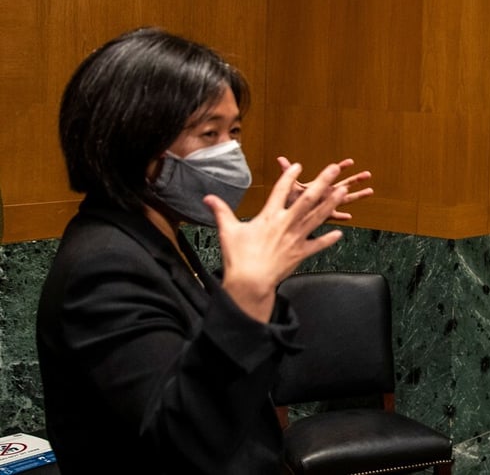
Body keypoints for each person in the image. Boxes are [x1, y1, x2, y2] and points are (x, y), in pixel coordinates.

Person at [36, 27, 374, 474]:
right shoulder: (104, 265)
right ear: (134, 139)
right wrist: (247, 296)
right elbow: (183, 441)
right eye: (209, 133)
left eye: (234, 131)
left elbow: (220, 365)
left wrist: (266, 261)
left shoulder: (157, 235)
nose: (230, 152)